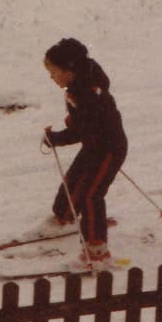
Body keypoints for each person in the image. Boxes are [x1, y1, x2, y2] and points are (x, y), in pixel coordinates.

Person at [40, 38, 128, 268]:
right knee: (72, 182)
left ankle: (97, 251)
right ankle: (65, 215)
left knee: (91, 195)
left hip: (109, 148)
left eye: (54, 72)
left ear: (69, 70)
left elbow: (81, 129)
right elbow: (82, 124)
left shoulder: (89, 94)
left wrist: (56, 138)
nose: (51, 77)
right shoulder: (78, 84)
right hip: (93, 145)